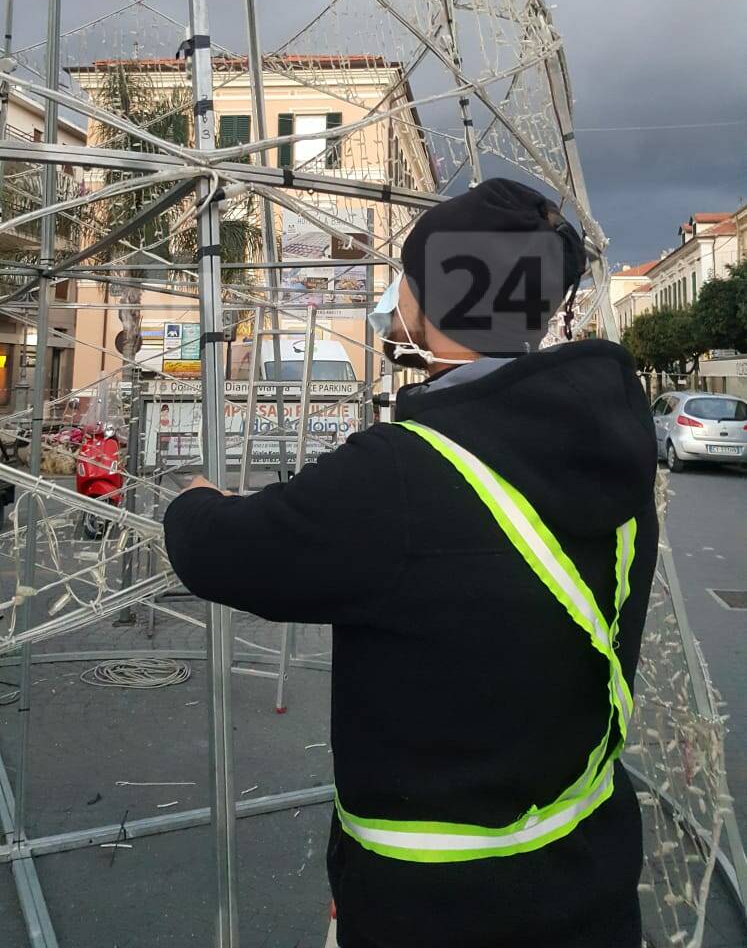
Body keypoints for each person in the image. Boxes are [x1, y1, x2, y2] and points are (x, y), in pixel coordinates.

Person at [164, 178, 658, 948]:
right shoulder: (610, 448)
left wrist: (192, 497)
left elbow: (224, 552)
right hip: (585, 870)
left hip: (435, 903)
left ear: (438, 298)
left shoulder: (398, 474)